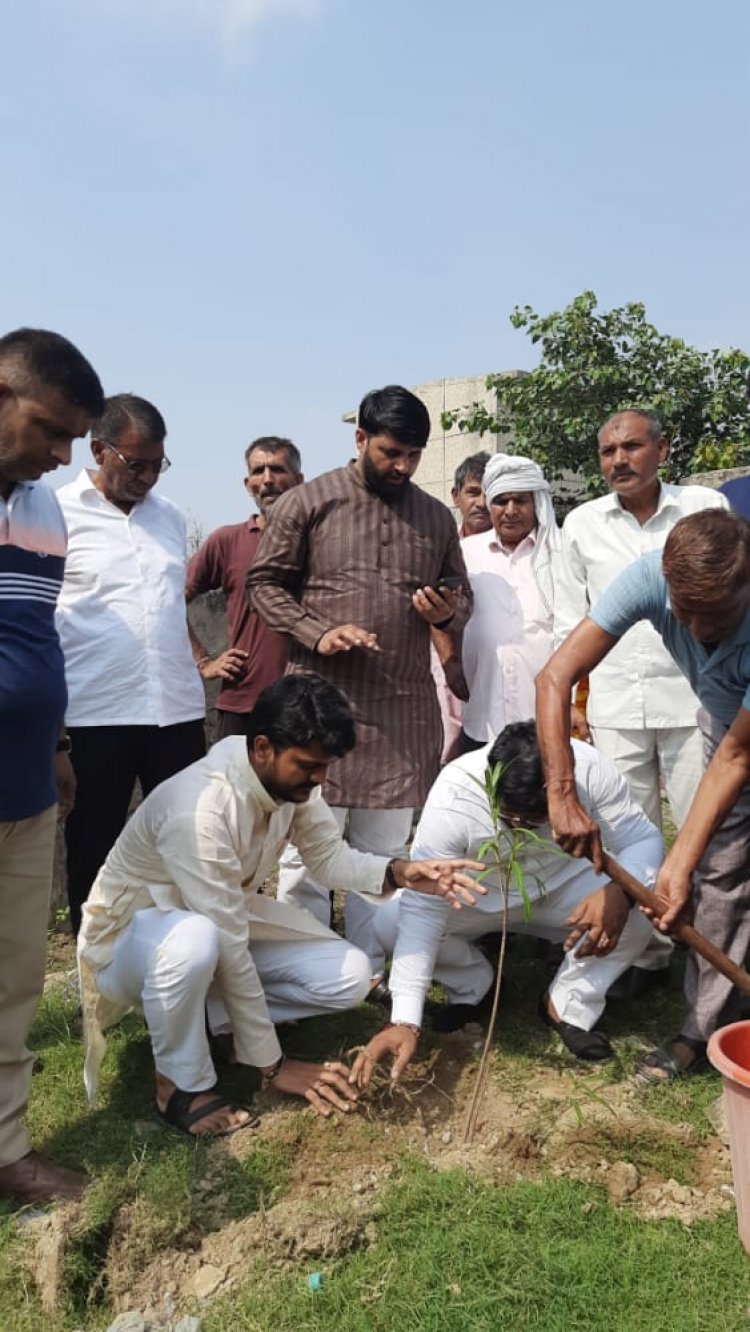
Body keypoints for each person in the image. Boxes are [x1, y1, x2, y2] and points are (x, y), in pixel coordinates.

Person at [77, 674, 483, 1135]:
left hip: (216, 923)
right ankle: (178, 1084)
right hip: (131, 945)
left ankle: (220, 1026)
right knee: (195, 941)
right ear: (263, 747)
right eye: (309, 766)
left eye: (325, 766)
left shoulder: (288, 783)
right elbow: (226, 941)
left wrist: (398, 872)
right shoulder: (200, 807)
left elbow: (326, 857)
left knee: (349, 977)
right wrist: (273, 1066)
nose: (320, 778)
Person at [247, 385, 472, 964]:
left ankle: (366, 964)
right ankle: (303, 965)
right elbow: (263, 585)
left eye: (413, 455)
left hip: (399, 710)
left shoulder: (434, 516)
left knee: (384, 848)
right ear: (360, 439)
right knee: (305, 856)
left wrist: (447, 612)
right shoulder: (310, 501)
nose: (401, 466)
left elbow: (460, 591)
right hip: (319, 708)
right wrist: (317, 632)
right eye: (390, 452)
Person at [536, 508, 750, 1079]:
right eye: (688, 615)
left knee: (702, 868)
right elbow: (555, 678)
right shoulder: (646, 579)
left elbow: (738, 757)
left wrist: (675, 864)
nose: (701, 632)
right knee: (721, 877)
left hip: (740, 743)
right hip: (727, 726)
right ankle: (705, 1032)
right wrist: (561, 794)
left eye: (720, 616)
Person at [351, 720, 660, 1085]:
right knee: (392, 923)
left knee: (638, 914)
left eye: (533, 819)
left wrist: (618, 894)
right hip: (479, 897)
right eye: (510, 816)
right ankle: (473, 984)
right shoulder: (456, 793)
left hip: (567, 890)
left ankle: (569, 1004)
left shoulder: (589, 770)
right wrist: (405, 1020)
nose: (521, 826)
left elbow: (643, 838)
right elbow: (424, 908)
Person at [554, 409, 728, 997]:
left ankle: (710, 947)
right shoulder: (579, 524)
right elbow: (567, 621)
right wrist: (579, 701)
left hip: (697, 701)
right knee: (634, 836)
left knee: (707, 836)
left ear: (663, 449)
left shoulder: (706, 507)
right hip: (617, 705)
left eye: (631, 447)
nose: (618, 461)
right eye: (607, 452)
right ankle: (648, 955)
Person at [0, 327, 104, 1205]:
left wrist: (59, 744)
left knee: (14, 977)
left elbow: (38, 638)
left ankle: (6, 1150)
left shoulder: (42, 509)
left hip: (27, 787)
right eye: (48, 429)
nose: (60, 454)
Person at [56, 395, 207, 935]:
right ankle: (95, 970)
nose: (147, 478)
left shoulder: (168, 518)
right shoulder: (57, 514)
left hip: (176, 712)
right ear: (98, 450)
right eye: (135, 464)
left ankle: (182, 960)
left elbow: (169, 608)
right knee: (94, 845)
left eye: (156, 466)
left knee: (187, 843)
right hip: (97, 713)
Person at [186, 436, 303, 739]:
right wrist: (204, 661)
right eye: (258, 471)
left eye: (277, 469)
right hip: (242, 704)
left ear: (299, 480)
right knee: (235, 787)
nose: (267, 480)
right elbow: (170, 600)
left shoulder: (320, 542)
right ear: (246, 483)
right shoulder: (227, 541)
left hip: (305, 704)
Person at [459, 452, 562, 751]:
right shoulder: (465, 553)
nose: (511, 510)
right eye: (501, 501)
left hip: (545, 715)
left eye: (520, 500)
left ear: (536, 503)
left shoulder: (559, 553)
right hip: (482, 714)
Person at [431, 451, 492, 763]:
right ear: (456, 496)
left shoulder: (517, 551)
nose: (481, 503)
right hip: (448, 672)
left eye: (489, 493)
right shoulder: (439, 544)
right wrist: (448, 658)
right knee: (446, 757)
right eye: (472, 492)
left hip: (494, 675)